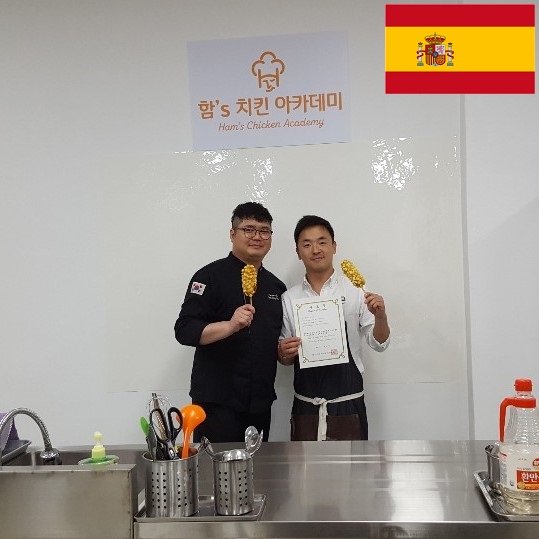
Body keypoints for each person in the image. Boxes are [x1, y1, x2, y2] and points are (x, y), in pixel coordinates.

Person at [174, 202, 286, 442]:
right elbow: (184, 330)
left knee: (257, 465)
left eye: (264, 231)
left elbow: (276, 341)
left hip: (260, 402)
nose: (257, 236)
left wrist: (285, 351)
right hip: (217, 402)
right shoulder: (209, 276)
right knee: (213, 465)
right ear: (232, 234)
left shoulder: (276, 286)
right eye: (249, 229)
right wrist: (230, 326)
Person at [278, 215, 390, 441]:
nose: (315, 250)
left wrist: (380, 317)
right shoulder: (289, 298)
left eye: (322, 242)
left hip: (348, 403)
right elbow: (285, 358)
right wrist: (284, 352)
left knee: (351, 464)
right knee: (304, 465)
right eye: (307, 244)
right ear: (298, 252)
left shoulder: (356, 291)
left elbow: (379, 344)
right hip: (306, 406)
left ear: (334, 246)